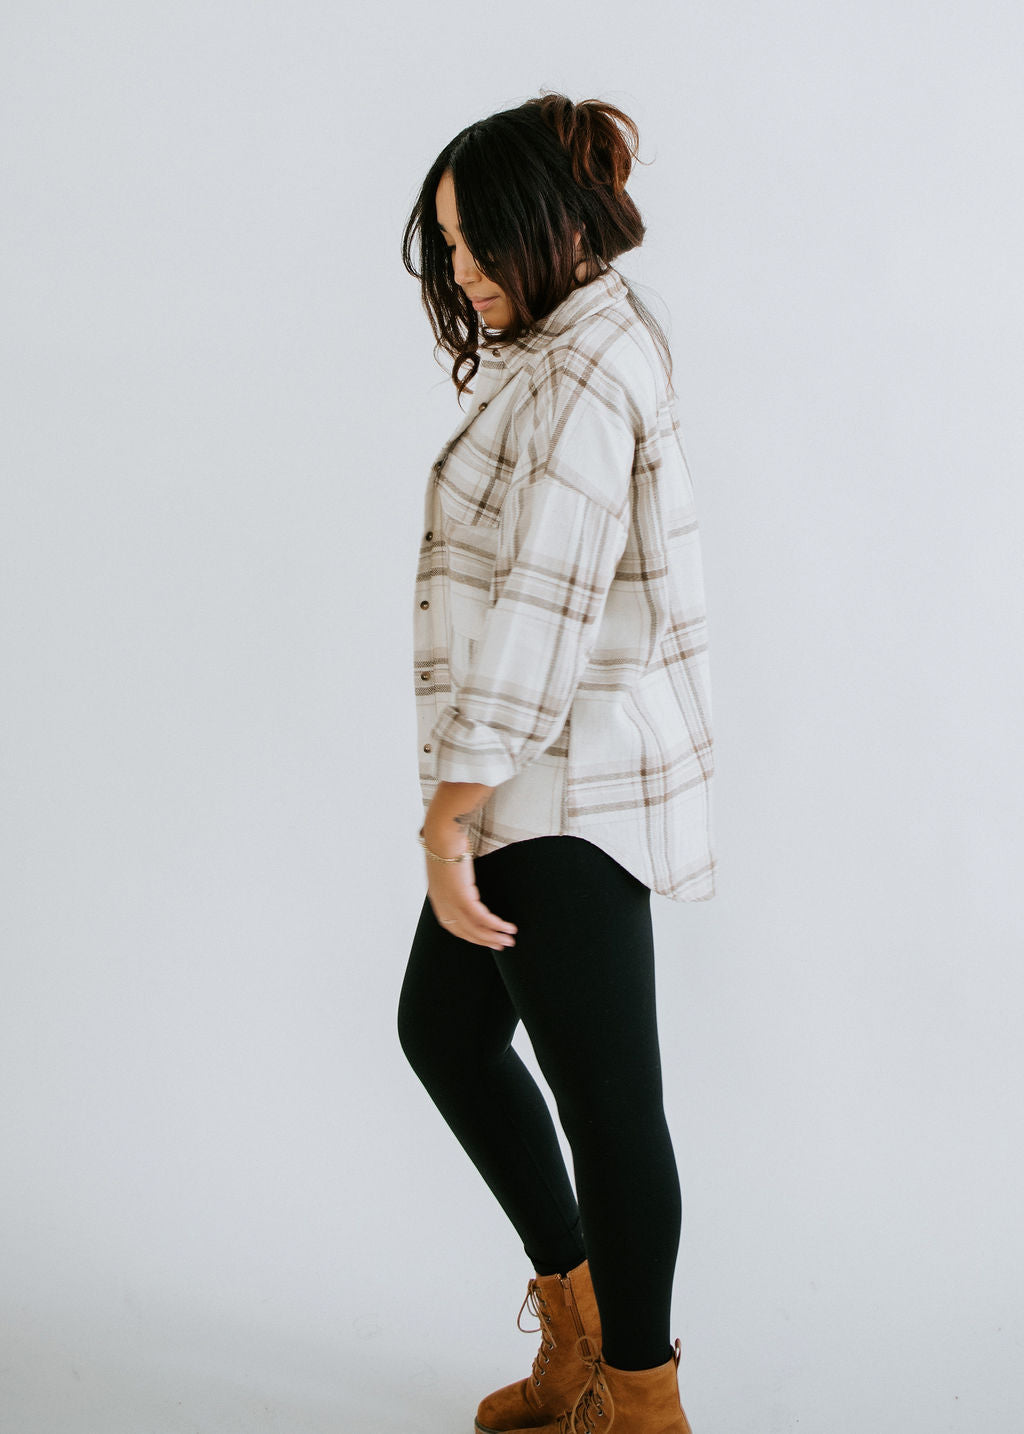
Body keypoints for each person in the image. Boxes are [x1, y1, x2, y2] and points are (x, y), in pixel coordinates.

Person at [397, 91, 716, 1434]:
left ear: (547, 220)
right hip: (530, 784)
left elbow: (542, 613)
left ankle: (640, 1404)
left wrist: (447, 821)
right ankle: (581, 1337)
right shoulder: (564, 341)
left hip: (563, 791)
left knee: (611, 1109)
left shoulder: (586, 369)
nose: (463, 268)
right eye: (449, 243)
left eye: (479, 238)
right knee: (445, 1034)